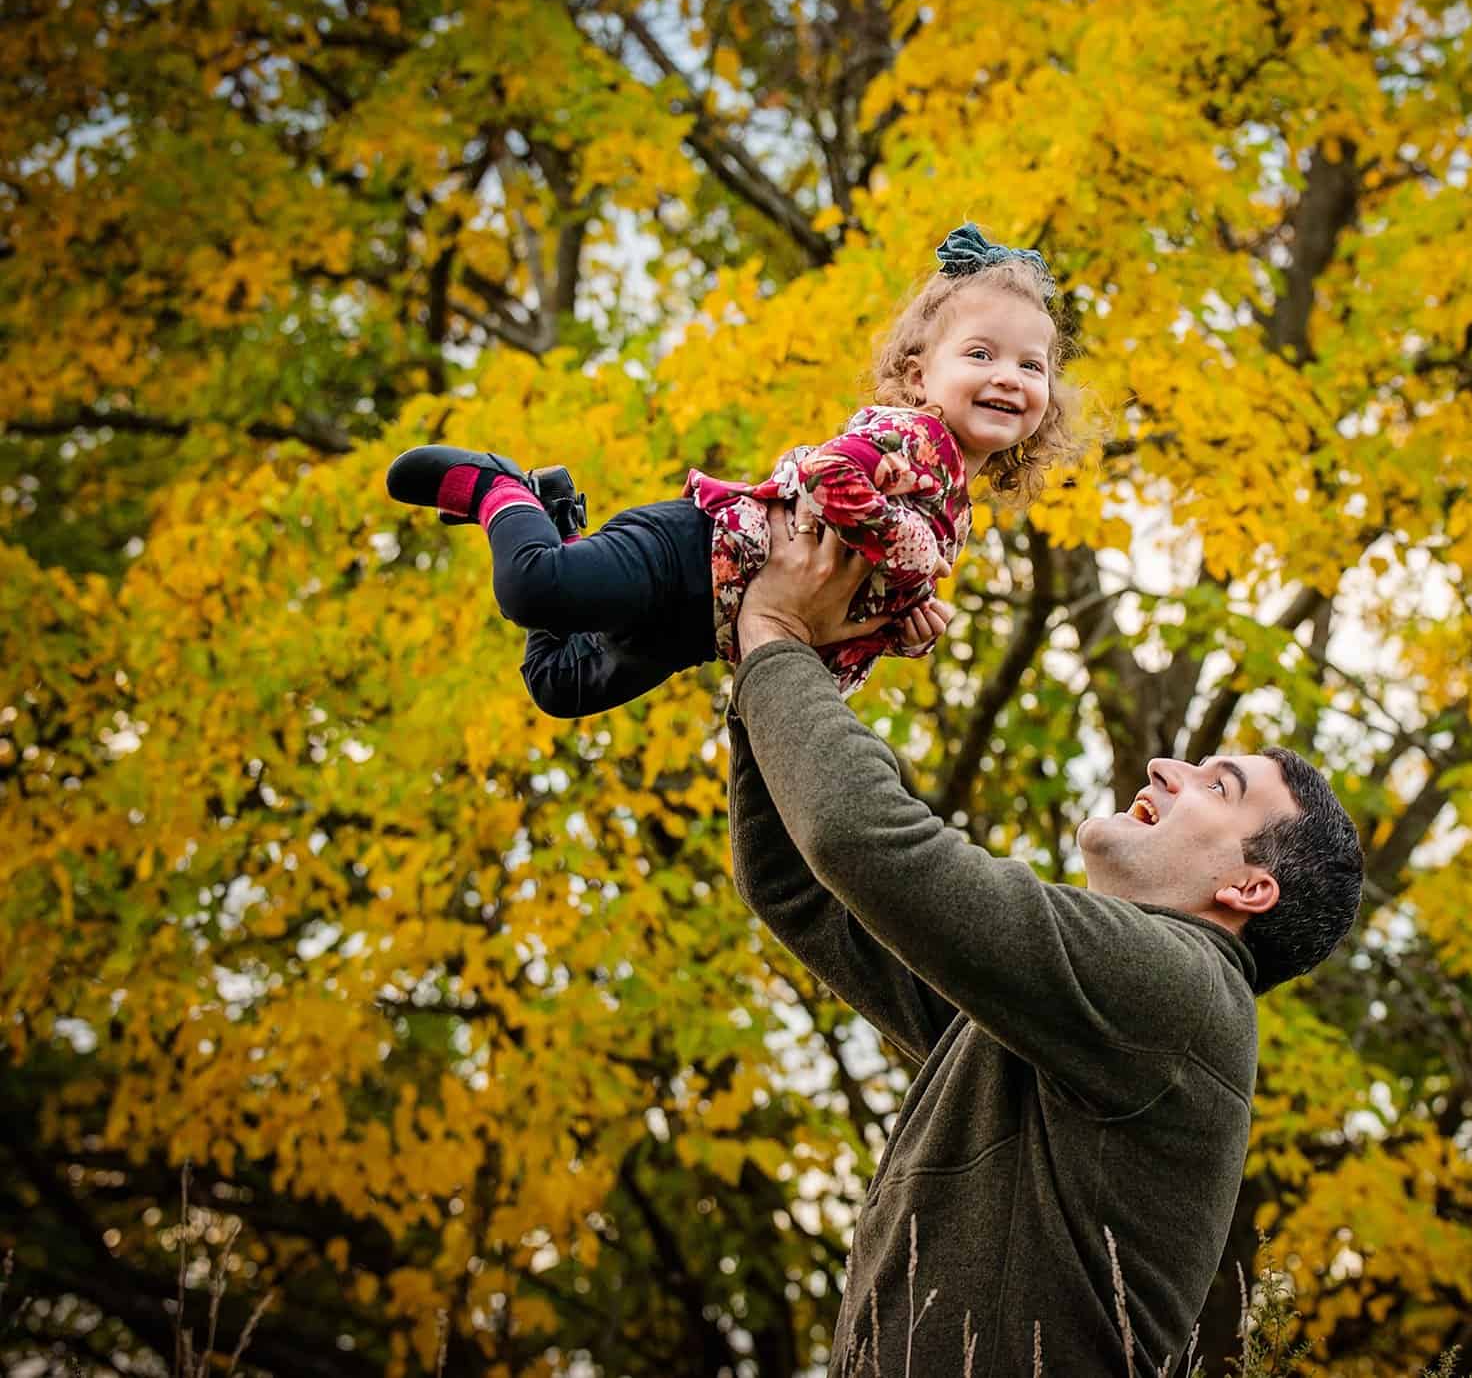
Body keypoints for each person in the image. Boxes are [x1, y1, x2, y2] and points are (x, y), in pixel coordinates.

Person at [725, 517, 1365, 1373]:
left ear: (1248, 889)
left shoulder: (1176, 993)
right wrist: (802, 658)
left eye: (1218, 785)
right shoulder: (1069, 1021)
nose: (1168, 769)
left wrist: (774, 636)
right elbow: (802, 888)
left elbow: (862, 839)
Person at [381, 225, 1078, 714]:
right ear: (919, 372)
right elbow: (827, 473)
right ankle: (497, 487)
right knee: (534, 588)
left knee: (559, 686)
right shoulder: (913, 438)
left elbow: (839, 601)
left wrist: (897, 628)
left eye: (1030, 364)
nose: (1008, 378)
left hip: (706, 627)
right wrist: (898, 542)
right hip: (694, 549)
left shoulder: (955, 506)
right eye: (981, 354)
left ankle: (555, 509)